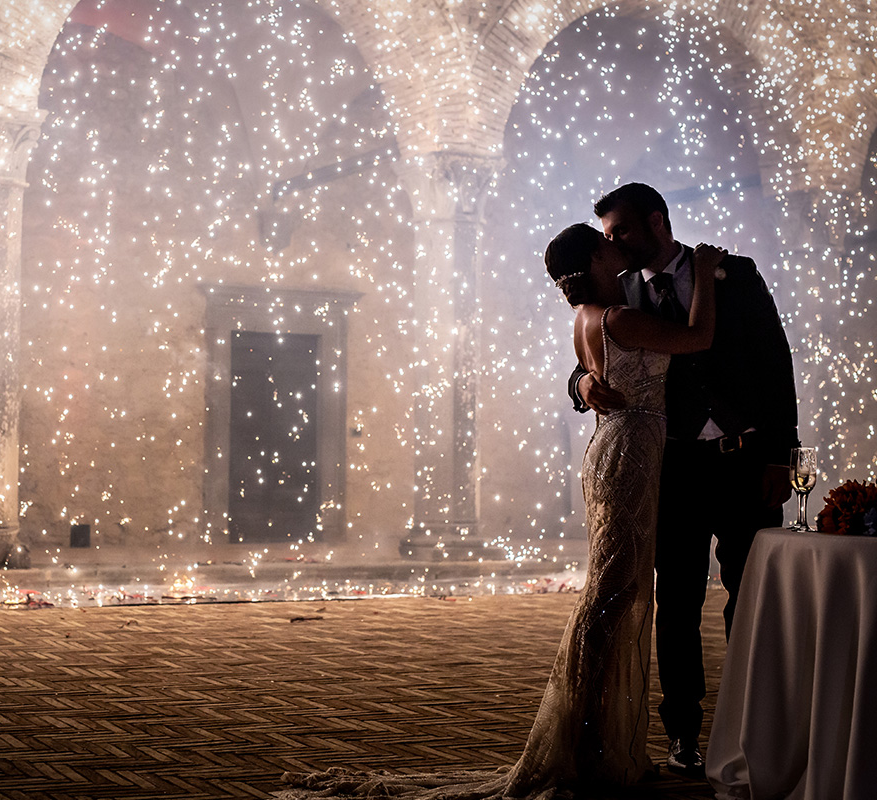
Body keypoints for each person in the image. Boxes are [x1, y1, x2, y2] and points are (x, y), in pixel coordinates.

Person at [277, 225, 724, 799]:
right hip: (631, 451)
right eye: (609, 242)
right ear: (595, 256)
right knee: (615, 597)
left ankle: (592, 738)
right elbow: (700, 338)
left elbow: (603, 367)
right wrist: (707, 272)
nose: (621, 248)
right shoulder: (619, 318)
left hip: (614, 445)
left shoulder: (589, 317)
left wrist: (585, 381)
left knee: (611, 595)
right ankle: (585, 743)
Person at [569, 182, 798, 778]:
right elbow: (589, 359)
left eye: (620, 232)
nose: (612, 244)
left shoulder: (732, 273)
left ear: (657, 220)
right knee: (677, 606)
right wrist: (580, 387)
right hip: (672, 469)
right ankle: (682, 736)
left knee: (752, 601)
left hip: (745, 459)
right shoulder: (616, 292)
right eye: (607, 237)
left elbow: (777, 361)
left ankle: (753, 727)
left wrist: (780, 455)